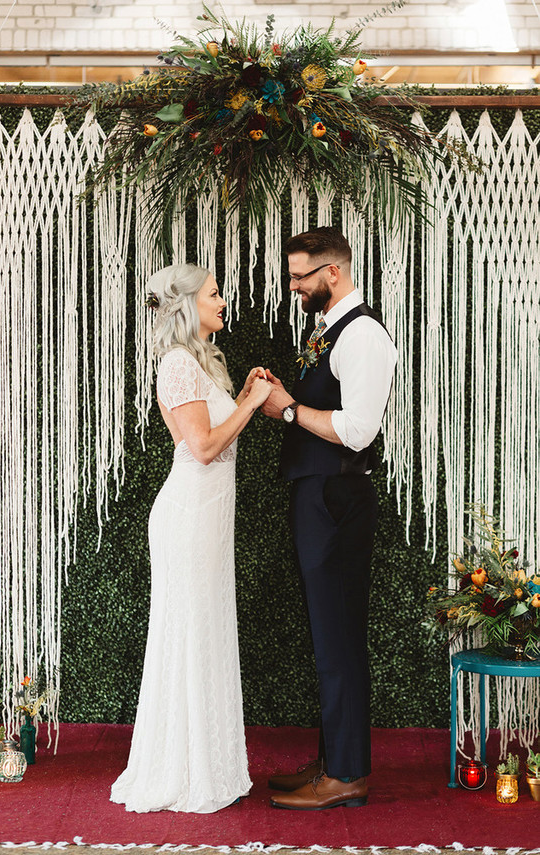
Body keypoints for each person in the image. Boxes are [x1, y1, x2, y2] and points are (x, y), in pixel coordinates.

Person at [110, 263, 271, 814]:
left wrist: (243, 394)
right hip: (188, 516)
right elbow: (201, 448)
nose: (223, 301)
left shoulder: (199, 363)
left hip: (207, 516)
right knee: (189, 631)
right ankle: (182, 767)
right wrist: (251, 405)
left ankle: (208, 763)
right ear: (187, 306)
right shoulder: (178, 364)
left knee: (205, 630)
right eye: (214, 293)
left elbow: (212, 437)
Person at [261, 227, 397, 810]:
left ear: (332, 273)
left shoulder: (363, 335)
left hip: (338, 499)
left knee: (338, 636)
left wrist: (289, 408)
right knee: (327, 634)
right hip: (318, 495)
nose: (292, 287)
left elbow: (358, 430)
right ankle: (333, 758)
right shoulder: (328, 329)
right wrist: (285, 399)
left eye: (299, 277)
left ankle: (346, 774)